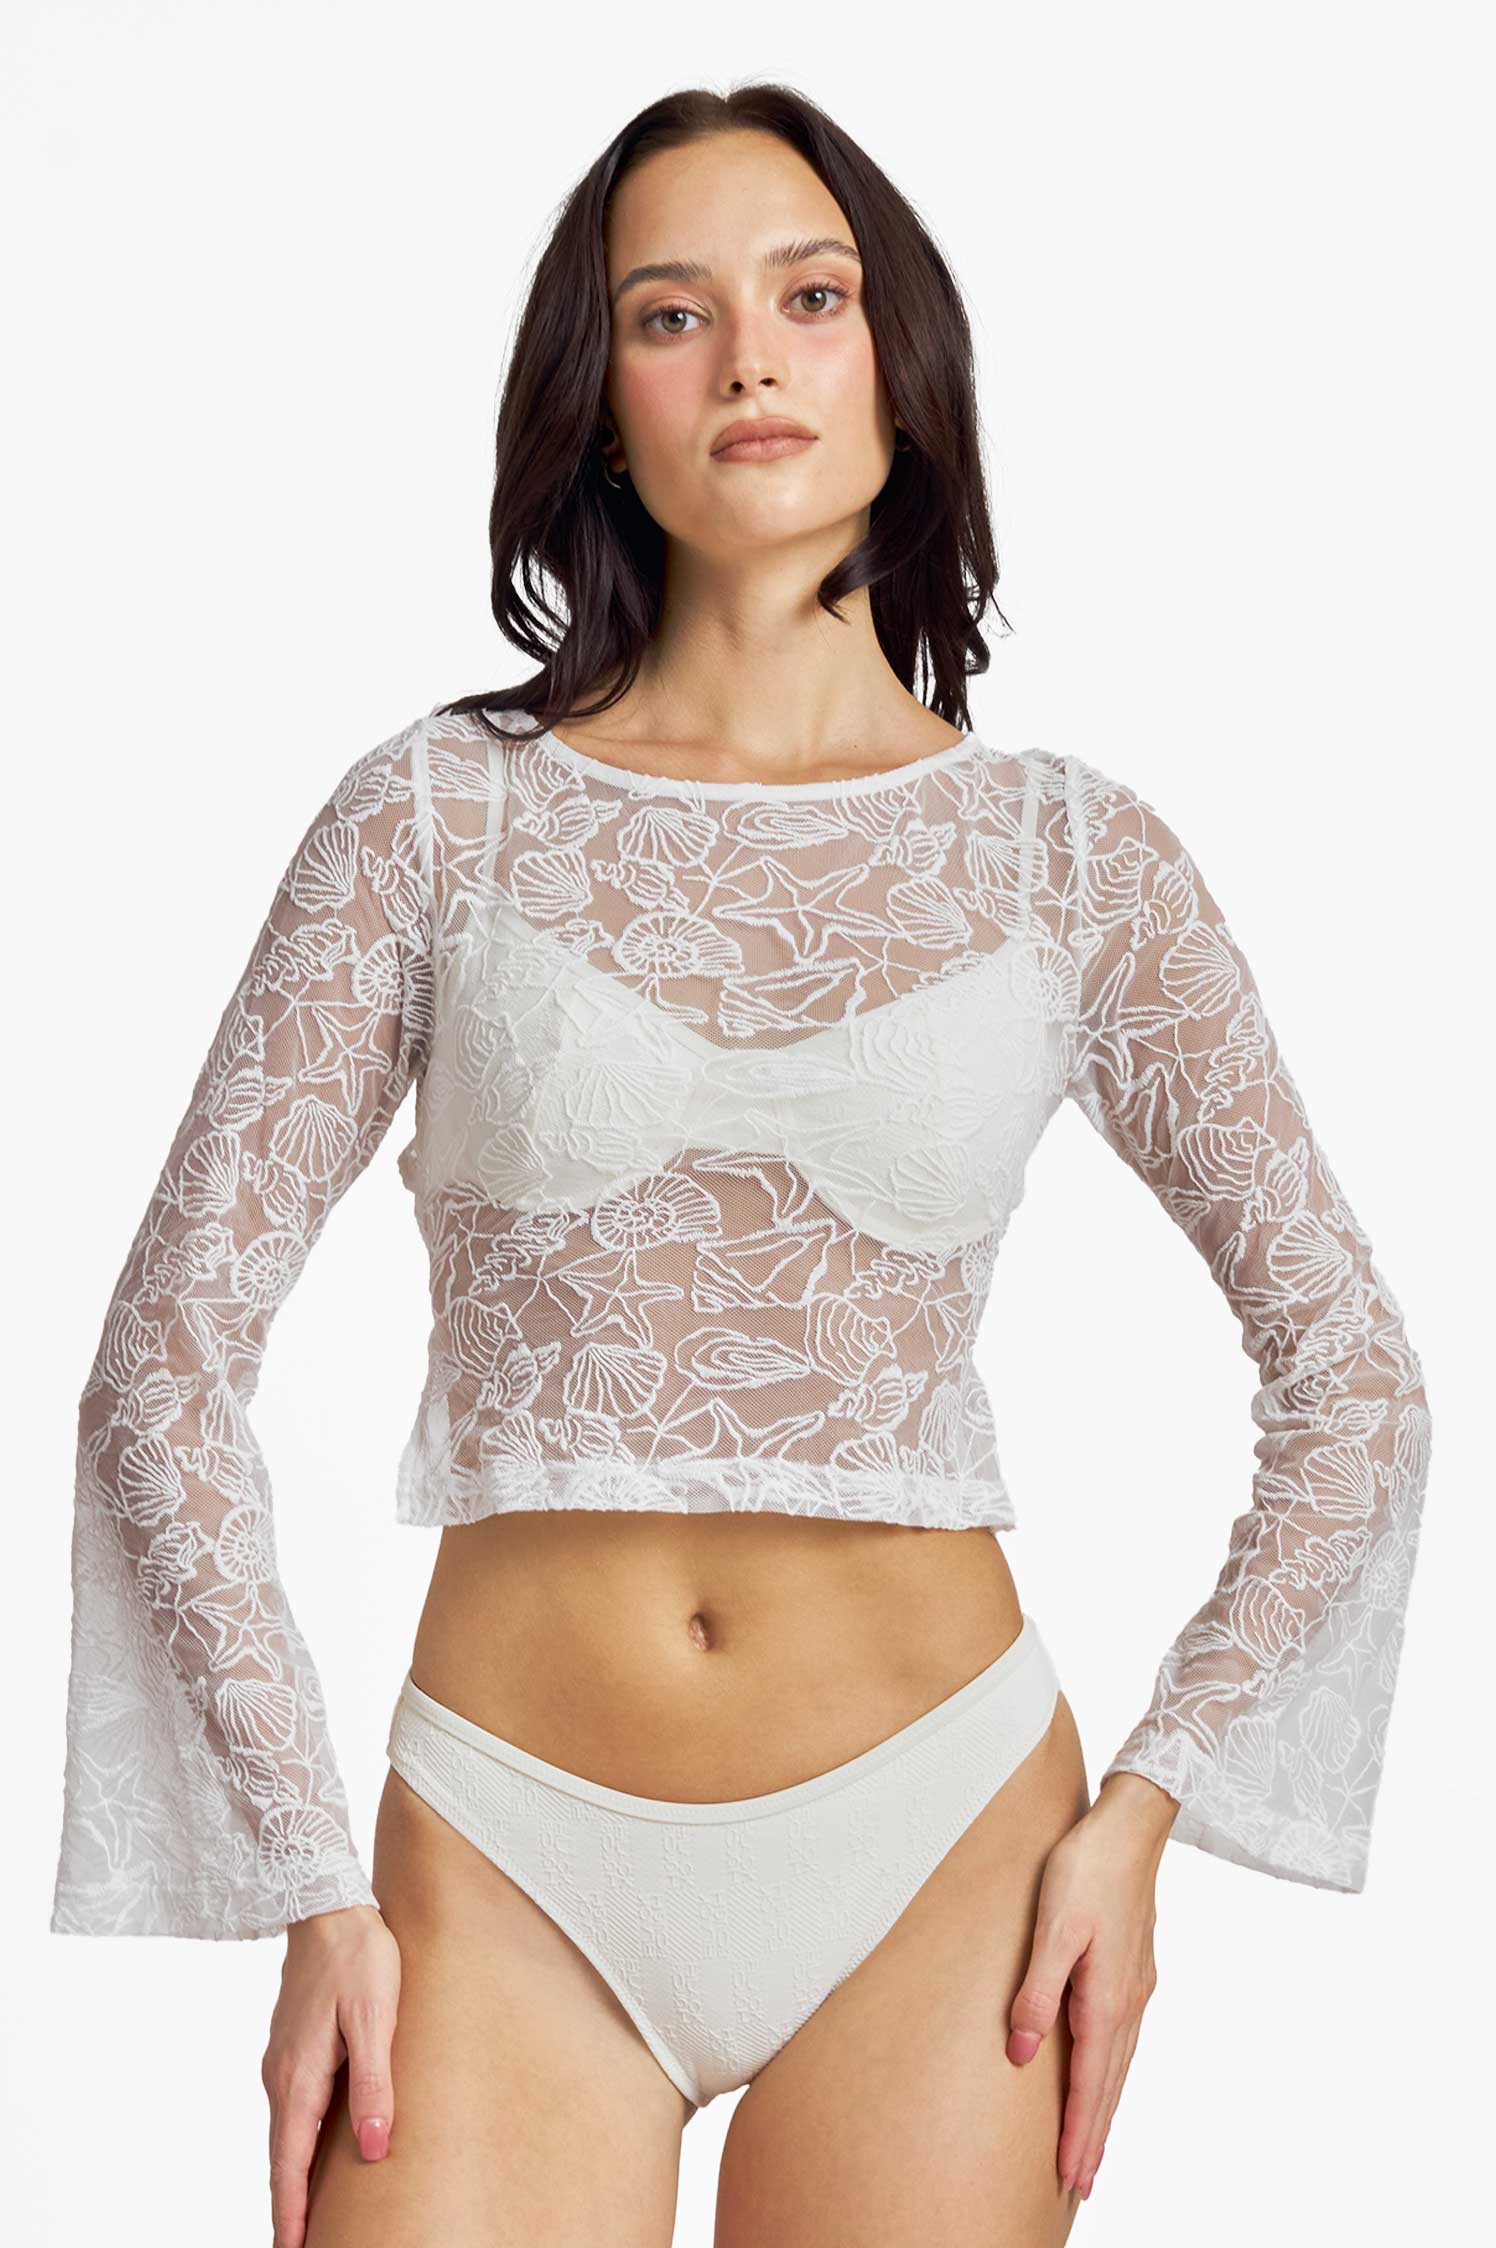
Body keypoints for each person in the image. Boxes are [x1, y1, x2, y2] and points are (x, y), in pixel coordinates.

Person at [51, 82, 1432, 2248]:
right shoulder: (433, 819)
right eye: (671, 314)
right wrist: (306, 1878)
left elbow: (1355, 1375)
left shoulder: (1070, 860)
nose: (751, 360)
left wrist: (1146, 1811)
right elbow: (161, 1361)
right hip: (501, 1849)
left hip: (944, 1844)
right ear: (601, 405)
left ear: (902, 362)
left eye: (812, 295)